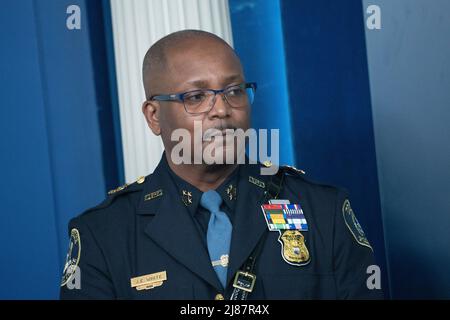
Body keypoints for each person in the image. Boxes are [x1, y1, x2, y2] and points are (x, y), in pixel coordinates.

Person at [60, 29, 383, 300]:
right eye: (196, 97)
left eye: (234, 91)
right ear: (154, 116)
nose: (222, 110)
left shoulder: (322, 210)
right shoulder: (102, 235)